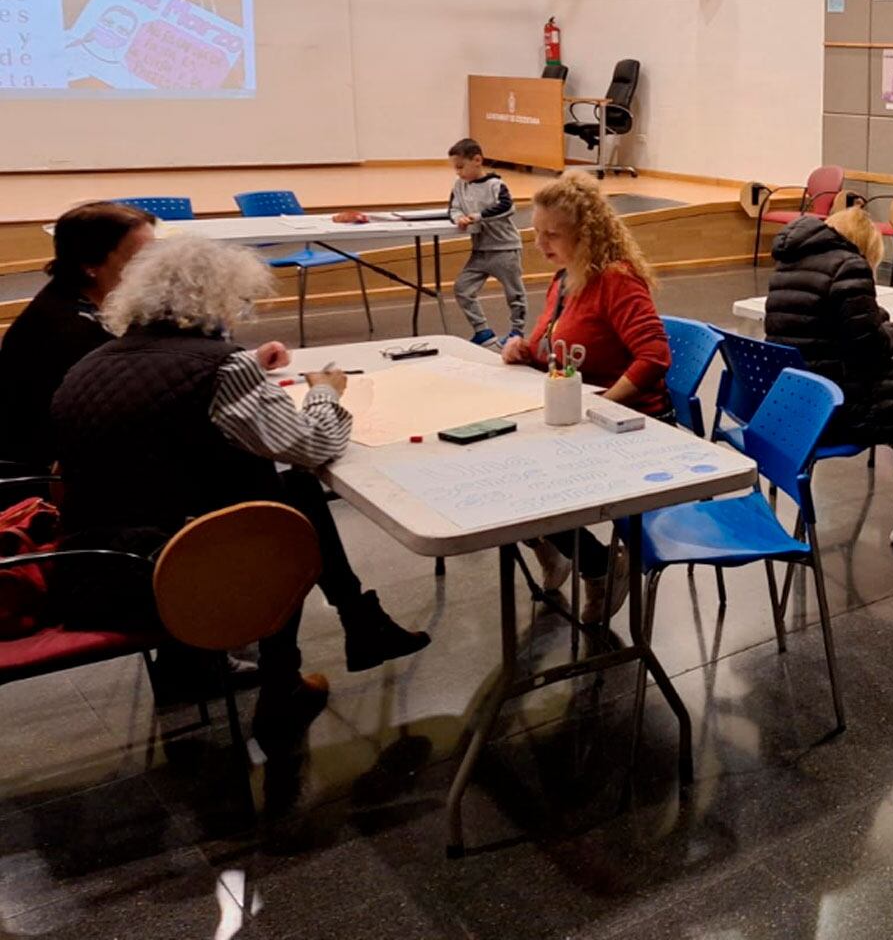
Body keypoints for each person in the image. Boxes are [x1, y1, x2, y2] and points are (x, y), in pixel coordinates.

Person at [49, 236, 429, 740]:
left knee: (281, 491)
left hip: (85, 565)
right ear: (223, 299)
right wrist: (324, 392)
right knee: (281, 514)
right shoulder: (222, 368)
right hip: (163, 574)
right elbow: (314, 444)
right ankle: (293, 676)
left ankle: (356, 625)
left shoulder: (92, 363)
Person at [503, 171, 670, 618]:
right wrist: (526, 353)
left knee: (521, 475)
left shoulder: (615, 280)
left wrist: (601, 404)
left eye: (552, 234)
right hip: (580, 416)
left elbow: (653, 357)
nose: (540, 243)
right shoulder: (564, 278)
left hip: (631, 428)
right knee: (501, 464)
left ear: (586, 234)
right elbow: (560, 352)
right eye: (536, 232)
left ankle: (596, 567)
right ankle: (562, 550)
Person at [765, 208, 893, 550]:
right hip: (838, 412)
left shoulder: (790, 259)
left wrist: (872, 317)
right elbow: (869, 349)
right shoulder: (849, 266)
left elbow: (828, 318)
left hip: (795, 403)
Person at [0, 202, 155, 470]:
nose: (155, 270)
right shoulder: (66, 330)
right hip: (52, 475)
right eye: (141, 259)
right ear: (91, 264)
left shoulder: (85, 301)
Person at [447, 138, 527, 347]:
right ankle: (482, 331)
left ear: (477, 160)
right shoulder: (459, 186)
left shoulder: (496, 185)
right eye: (455, 168)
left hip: (505, 249)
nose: (458, 172)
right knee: (462, 288)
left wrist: (477, 216)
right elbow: (454, 209)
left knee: (514, 293)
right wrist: (458, 219)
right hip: (480, 250)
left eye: (461, 167)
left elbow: (507, 207)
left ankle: (517, 331)